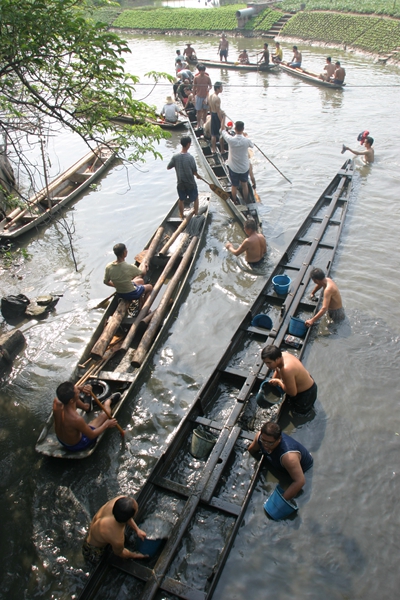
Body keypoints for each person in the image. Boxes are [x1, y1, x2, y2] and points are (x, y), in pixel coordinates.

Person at [247, 422, 313, 501]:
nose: (265, 445)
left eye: (270, 443)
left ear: (279, 440)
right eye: (263, 440)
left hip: (301, 469)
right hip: (279, 463)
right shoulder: (259, 438)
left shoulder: (289, 457)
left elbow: (300, 481)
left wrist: (280, 501)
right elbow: (251, 450)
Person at [53, 381, 118, 452]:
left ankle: (86, 407)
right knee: (106, 414)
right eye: (77, 391)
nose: (78, 390)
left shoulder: (57, 402)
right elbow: (92, 435)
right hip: (76, 445)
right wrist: (106, 424)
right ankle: (108, 401)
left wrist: (81, 388)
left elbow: (72, 396)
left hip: (61, 440)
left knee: (72, 401)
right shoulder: (76, 419)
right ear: (71, 401)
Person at [83, 496, 148, 563]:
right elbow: (120, 553)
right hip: (92, 547)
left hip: (94, 529)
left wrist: (137, 530)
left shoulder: (118, 501)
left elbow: (125, 516)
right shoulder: (117, 538)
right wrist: (135, 555)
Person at [261, 345, 317, 415]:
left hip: (306, 394)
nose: (267, 365)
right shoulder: (283, 355)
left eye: (269, 363)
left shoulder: (286, 369)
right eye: (265, 363)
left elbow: (292, 393)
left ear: (277, 359)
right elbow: (278, 370)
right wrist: (273, 381)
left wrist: (278, 382)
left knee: (299, 414)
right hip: (307, 381)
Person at [104, 243, 152, 307]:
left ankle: (140, 302)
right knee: (150, 287)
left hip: (120, 293)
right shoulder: (128, 267)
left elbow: (105, 281)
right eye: (126, 250)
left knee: (140, 281)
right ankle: (144, 308)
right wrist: (143, 264)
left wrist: (116, 285)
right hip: (131, 293)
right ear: (124, 253)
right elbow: (143, 273)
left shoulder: (109, 266)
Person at [167, 135, 200, 219]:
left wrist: (177, 165)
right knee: (195, 198)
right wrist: (197, 175)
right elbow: (194, 171)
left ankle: (181, 215)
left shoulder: (175, 157)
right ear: (188, 144)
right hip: (190, 182)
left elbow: (168, 167)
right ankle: (196, 215)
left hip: (180, 182)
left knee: (181, 199)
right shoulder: (190, 158)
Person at [220, 119, 253, 203]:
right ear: (243, 129)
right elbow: (252, 145)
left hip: (233, 167)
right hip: (244, 168)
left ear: (235, 129)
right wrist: (246, 136)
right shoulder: (246, 140)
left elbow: (222, 131)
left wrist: (223, 118)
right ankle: (246, 201)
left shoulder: (231, 140)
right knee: (244, 184)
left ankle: (234, 201)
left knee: (234, 185)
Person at [193, 64, 212, 128]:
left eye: (203, 71)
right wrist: (193, 97)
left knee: (205, 110)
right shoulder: (196, 78)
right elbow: (194, 88)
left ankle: (204, 123)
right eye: (201, 71)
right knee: (198, 111)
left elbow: (210, 86)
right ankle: (198, 123)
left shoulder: (207, 77)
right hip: (198, 96)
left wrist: (208, 89)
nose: (202, 72)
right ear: (199, 71)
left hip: (205, 96)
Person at [208, 82, 225, 154]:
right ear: (217, 89)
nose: (222, 89)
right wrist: (222, 121)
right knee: (221, 133)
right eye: (221, 87)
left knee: (213, 134)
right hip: (217, 115)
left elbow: (210, 108)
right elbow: (218, 112)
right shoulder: (217, 98)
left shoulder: (210, 96)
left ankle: (213, 149)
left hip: (213, 114)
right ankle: (222, 150)